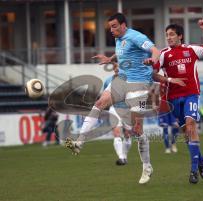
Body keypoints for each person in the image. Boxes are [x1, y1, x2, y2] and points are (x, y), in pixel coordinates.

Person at [65, 12, 161, 184]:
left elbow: (156, 50)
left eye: (114, 26)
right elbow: (123, 53)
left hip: (138, 84)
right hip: (122, 80)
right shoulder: (118, 38)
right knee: (99, 103)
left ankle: (147, 166)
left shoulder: (136, 36)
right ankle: (79, 141)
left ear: (124, 25)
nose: (111, 30)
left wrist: (152, 61)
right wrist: (109, 58)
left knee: (137, 129)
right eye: (110, 27)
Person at [151, 19, 203, 184]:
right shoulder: (163, 54)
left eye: (172, 34)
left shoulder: (192, 49)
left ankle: (193, 170)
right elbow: (154, 74)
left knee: (191, 125)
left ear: (180, 36)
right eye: (167, 35)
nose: (168, 38)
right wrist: (170, 80)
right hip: (173, 98)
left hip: (191, 93)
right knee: (187, 134)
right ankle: (202, 161)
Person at [103, 75, 132, 166]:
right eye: (115, 66)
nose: (117, 68)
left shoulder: (131, 79)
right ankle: (121, 157)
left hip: (128, 110)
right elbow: (105, 95)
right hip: (114, 109)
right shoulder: (108, 80)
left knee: (127, 135)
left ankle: (124, 156)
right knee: (116, 133)